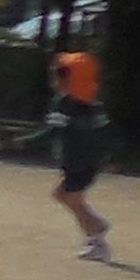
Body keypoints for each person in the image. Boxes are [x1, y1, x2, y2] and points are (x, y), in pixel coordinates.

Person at [46, 51, 113, 260]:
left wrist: (23, 141)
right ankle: (96, 233)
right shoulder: (94, 104)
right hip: (86, 162)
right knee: (64, 196)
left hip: (77, 162)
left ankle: (98, 233)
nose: (55, 80)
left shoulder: (64, 103)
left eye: (58, 76)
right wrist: (108, 157)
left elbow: (52, 129)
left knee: (71, 199)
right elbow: (106, 133)